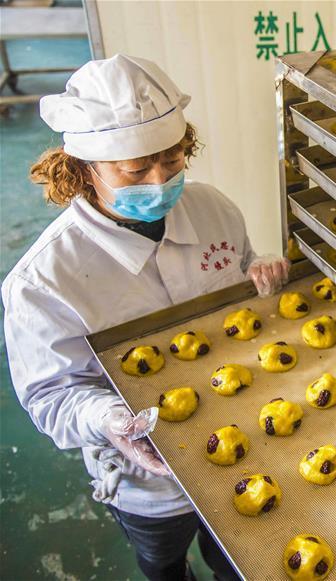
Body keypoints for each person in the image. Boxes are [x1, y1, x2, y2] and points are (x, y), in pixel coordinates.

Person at [1, 54, 290, 580]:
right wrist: (108, 419)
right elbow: (51, 397)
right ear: (85, 169)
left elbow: (240, 269)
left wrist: (259, 270)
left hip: (248, 437)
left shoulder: (213, 208)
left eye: (173, 161)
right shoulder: (43, 281)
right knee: (162, 559)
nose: (159, 182)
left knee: (237, 554)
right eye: (135, 170)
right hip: (151, 481)